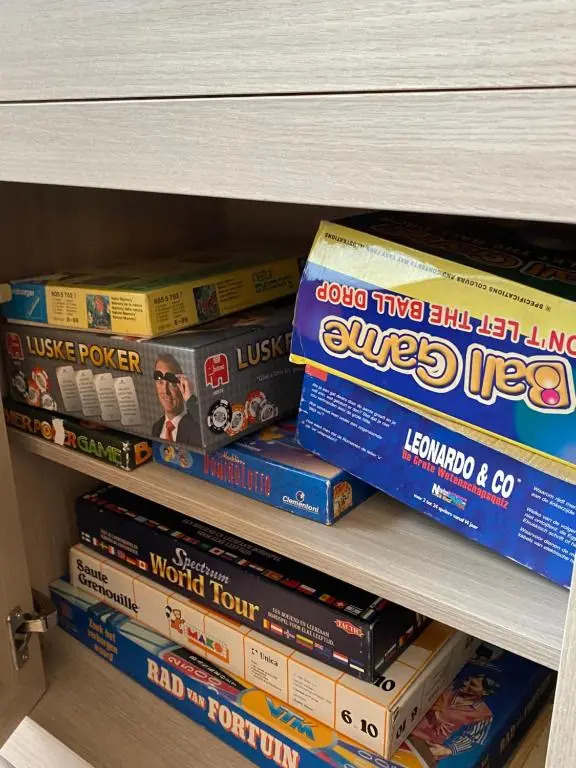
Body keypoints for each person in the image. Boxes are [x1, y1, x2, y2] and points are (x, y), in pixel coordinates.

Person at [410, 674, 499, 762]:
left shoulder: (483, 713)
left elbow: (474, 738)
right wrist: (436, 712)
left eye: (472, 684)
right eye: (468, 679)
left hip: (429, 747)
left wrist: (449, 750)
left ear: (485, 693)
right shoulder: (448, 691)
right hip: (408, 734)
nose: (465, 683)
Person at [151, 353, 200, 443]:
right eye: (160, 382)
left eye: (171, 383)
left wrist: (190, 400)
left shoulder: (196, 425)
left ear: (182, 385)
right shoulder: (156, 428)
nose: (165, 391)